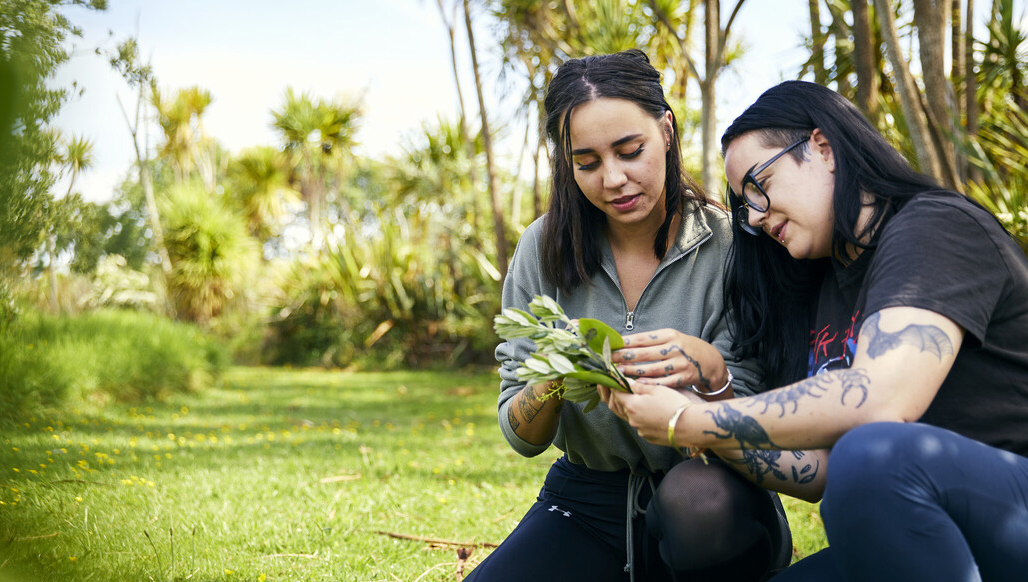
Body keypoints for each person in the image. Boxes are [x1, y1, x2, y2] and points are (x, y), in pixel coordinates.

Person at [601, 80, 1028, 582]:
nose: (756, 218)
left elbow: (877, 403)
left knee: (871, 454)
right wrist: (705, 395)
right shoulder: (825, 289)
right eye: (744, 205)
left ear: (822, 148)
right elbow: (818, 471)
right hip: (919, 532)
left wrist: (684, 423)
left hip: (1007, 511)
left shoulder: (934, 227)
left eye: (760, 185)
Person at [466, 49, 793, 582]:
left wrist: (708, 374)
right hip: (589, 498)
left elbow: (759, 411)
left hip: (712, 489)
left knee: (698, 506)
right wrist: (554, 372)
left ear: (665, 130)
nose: (613, 179)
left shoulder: (735, 246)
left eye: (630, 150)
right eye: (587, 163)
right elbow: (521, 436)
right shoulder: (541, 249)